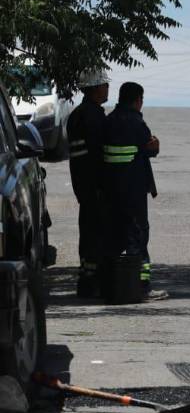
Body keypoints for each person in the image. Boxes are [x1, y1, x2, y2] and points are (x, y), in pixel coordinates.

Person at [102, 82, 165, 300]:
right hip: (135, 189)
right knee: (138, 235)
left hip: (111, 190)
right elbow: (148, 148)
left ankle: (111, 286)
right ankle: (142, 286)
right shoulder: (137, 123)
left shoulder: (108, 122)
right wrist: (155, 146)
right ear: (137, 100)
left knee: (114, 235)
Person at [66, 68, 110, 297]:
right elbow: (97, 156)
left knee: (88, 233)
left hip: (83, 187)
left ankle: (86, 278)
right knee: (96, 234)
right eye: (104, 85)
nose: (107, 88)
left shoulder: (77, 115)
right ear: (94, 88)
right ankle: (93, 282)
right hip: (94, 187)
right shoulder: (92, 117)